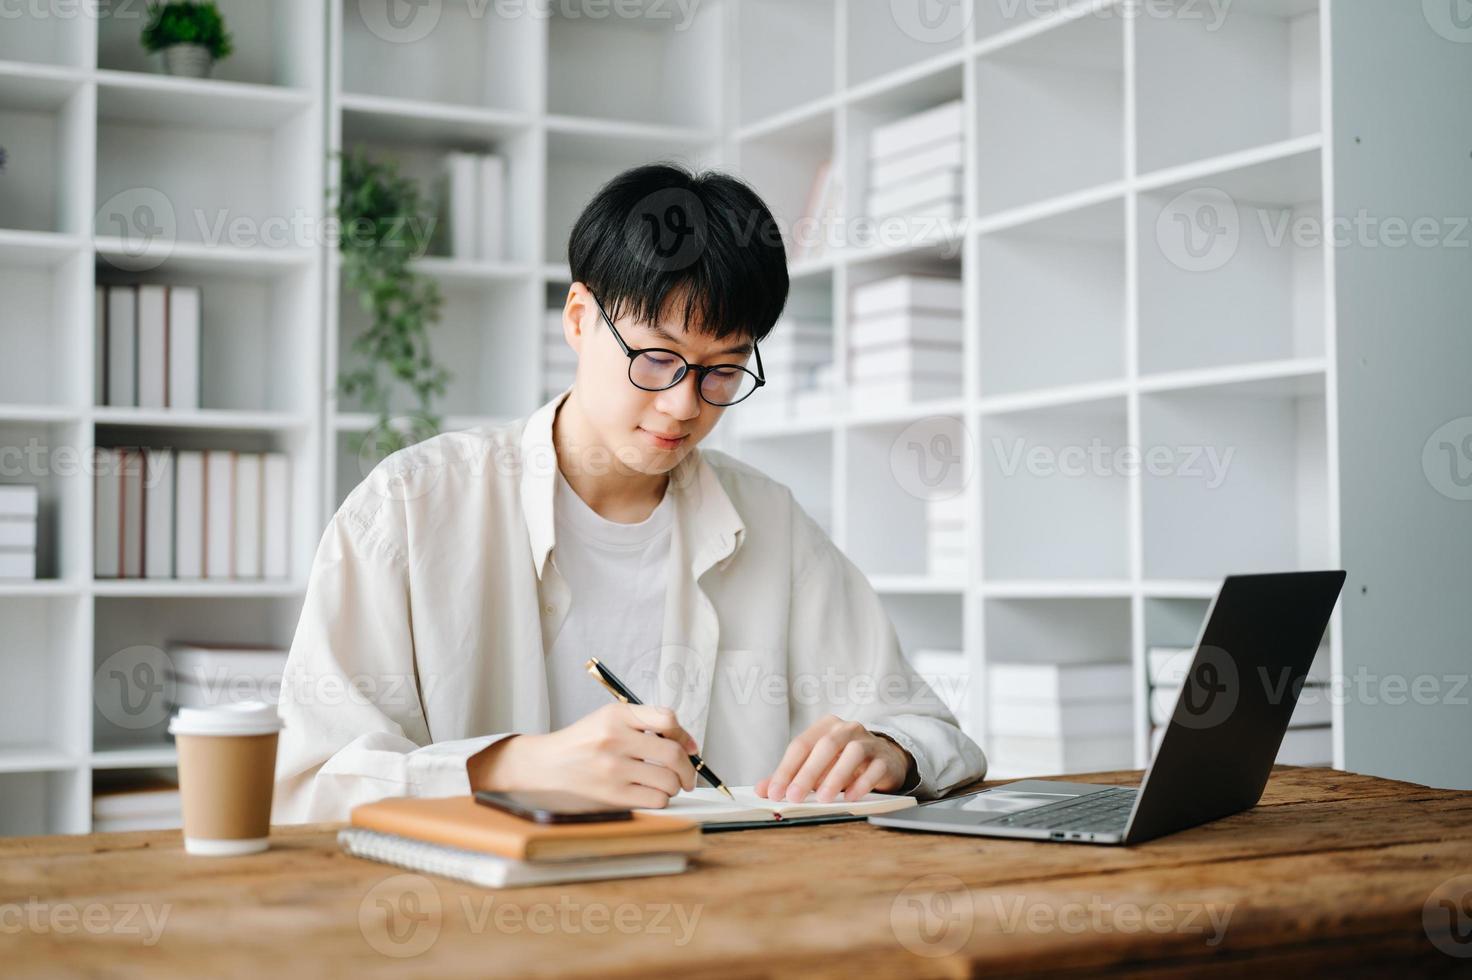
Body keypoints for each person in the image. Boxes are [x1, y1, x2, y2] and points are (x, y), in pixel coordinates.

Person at [272, 163, 986, 822]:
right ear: (580, 320)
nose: (684, 405)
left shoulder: (769, 521)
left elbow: (933, 731)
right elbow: (311, 784)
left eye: (723, 370)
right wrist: (517, 765)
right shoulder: (409, 509)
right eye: (657, 358)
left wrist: (891, 752)